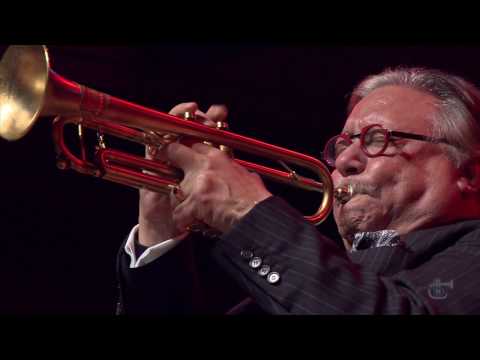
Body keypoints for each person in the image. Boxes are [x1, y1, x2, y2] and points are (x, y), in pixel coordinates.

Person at [116, 67, 480, 314]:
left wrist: (248, 214)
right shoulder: (306, 279)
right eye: (341, 144)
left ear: (469, 171)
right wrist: (158, 227)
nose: (345, 160)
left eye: (375, 139)